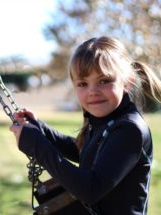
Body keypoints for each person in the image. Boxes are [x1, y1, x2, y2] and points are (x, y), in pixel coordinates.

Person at [9, 36, 161, 215]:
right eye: (83, 84)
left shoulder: (129, 129)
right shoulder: (104, 120)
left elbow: (90, 189)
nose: (93, 92)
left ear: (127, 83)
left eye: (104, 81)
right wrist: (43, 130)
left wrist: (37, 146)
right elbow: (85, 151)